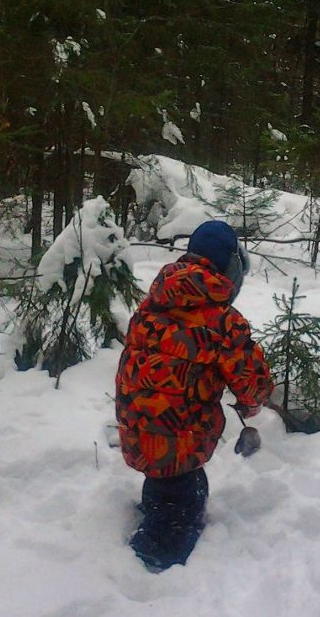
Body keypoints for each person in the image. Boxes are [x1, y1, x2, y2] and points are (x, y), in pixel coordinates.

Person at [116, 220, 273, 570]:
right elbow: (251, 379)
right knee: (178, 504)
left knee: (170, 481)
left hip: (137, 430)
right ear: (230, 268)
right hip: (178, 440)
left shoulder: (151, 306)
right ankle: (146, 573)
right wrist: (252, 402)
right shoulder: (222, 321)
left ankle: (158, 514)